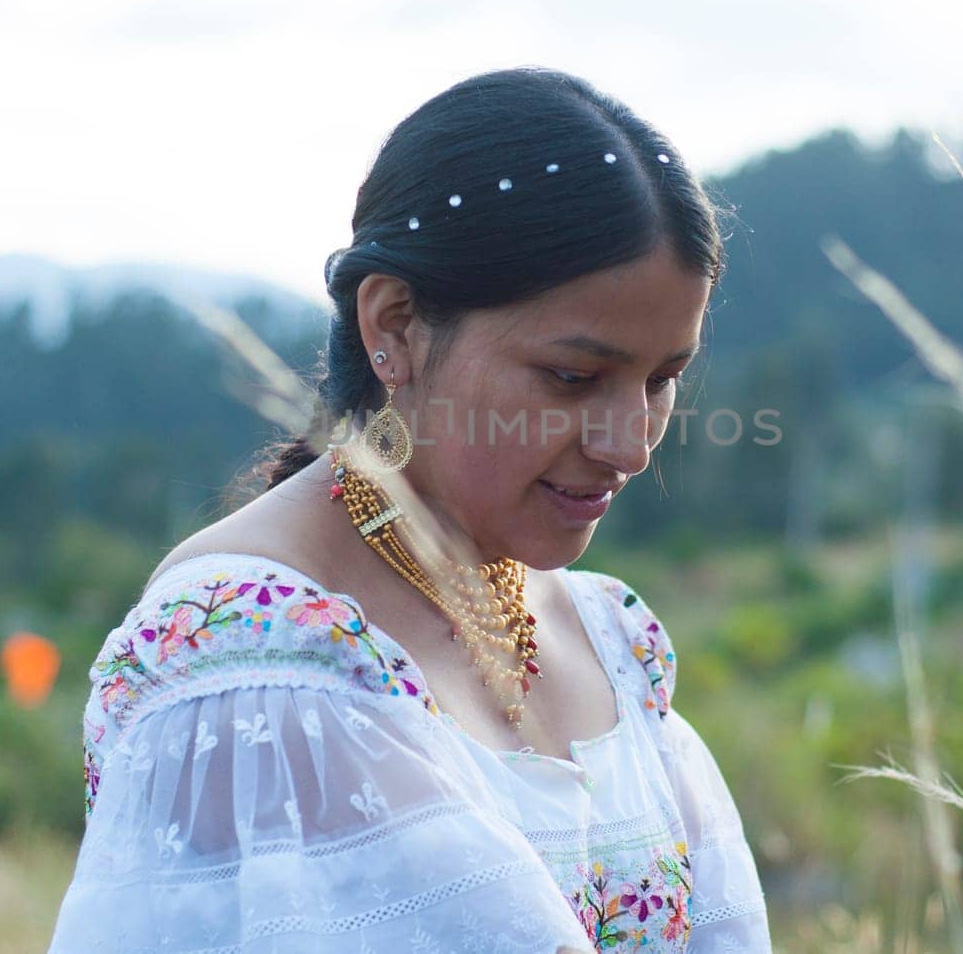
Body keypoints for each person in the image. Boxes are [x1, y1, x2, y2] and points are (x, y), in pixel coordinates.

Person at [47, 67, 773, 952]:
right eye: (574, 377)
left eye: (663, 379)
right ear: (392, 326)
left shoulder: (606, 635)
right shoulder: (251, 657)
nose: (632, 444)